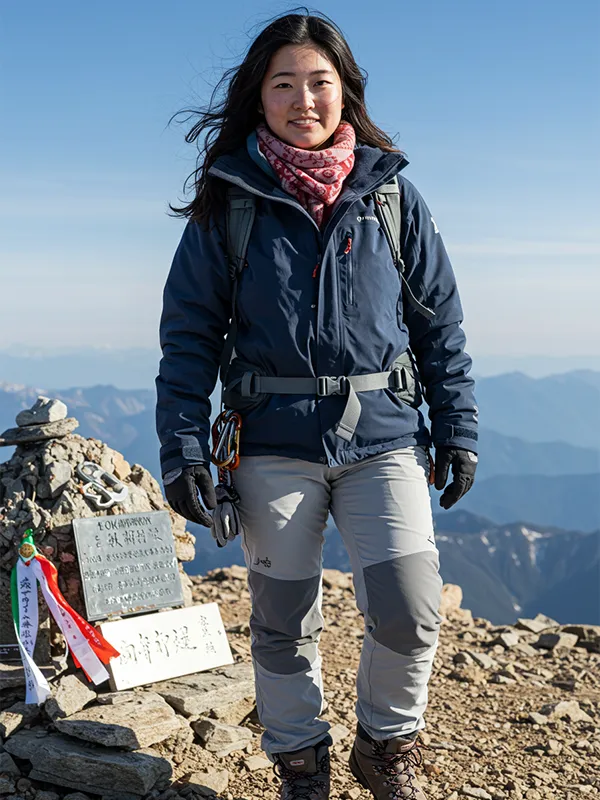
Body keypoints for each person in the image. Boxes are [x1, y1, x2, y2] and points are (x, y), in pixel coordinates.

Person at [156, 11, 478, 800]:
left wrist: (458, 425)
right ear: (259, 98)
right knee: (283, 620)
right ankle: (301, 764)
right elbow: (188, 339)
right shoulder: (229, 204)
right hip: (270, 443)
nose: (304, 100)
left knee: (410, 610)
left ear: (346, 91)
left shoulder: (392, 197)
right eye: (284, 84)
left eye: (319, 83)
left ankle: (384, 745)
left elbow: (439, 324)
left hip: (384, 439)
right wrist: (183, 448)